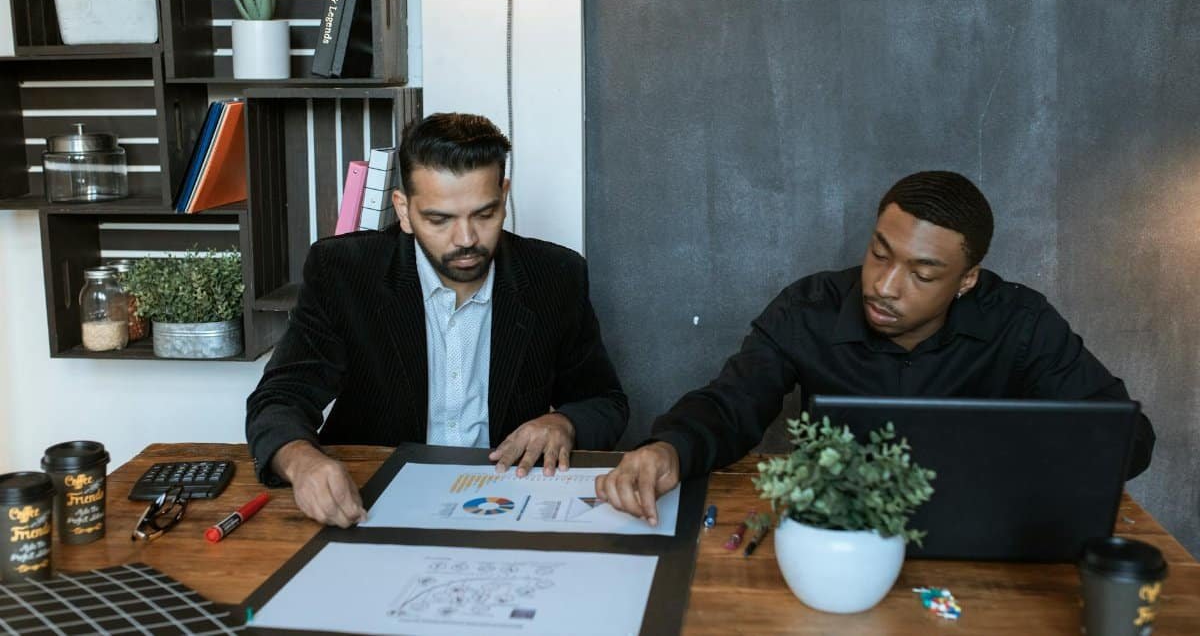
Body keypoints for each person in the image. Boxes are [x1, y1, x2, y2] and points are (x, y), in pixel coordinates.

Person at [596, 170, 1156, 526]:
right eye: (880, 253)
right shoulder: (807, 308)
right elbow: (730, 403)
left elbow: (1127, 439)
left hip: (982, 535)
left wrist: (1017, 463)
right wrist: (669, 448)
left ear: (966, 280)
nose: (885, 286)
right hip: (837, 532)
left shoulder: (1023, 322)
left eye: (923, 272)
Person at [247, 113, 628, 527]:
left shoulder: (555, 275)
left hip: (504, 502)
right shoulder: (344, 273)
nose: (466, 239)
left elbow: (605, 401)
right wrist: (302, 462)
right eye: (439, 219)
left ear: (504, 195)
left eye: (484, 214)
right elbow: (279, 398)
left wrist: (564, 423)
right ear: (404, 211)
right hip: (371, 502)